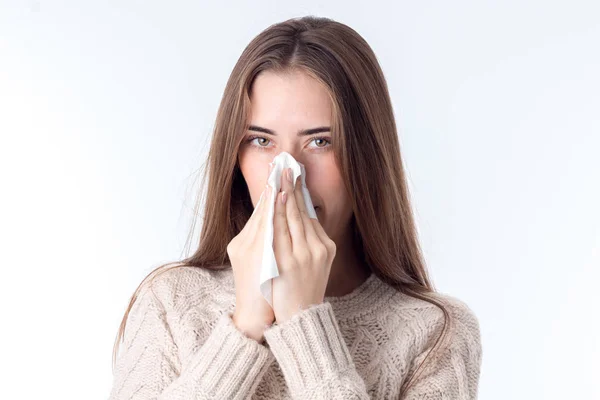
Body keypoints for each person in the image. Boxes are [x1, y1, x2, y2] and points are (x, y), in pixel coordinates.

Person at [108, 15, 482, 400]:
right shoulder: (170, 302)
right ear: (235, 155)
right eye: (260, 140)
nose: (288, 173)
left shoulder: (436, 333)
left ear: (366, 155)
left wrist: (306, 327)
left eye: (320, 142)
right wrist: (244, 328)